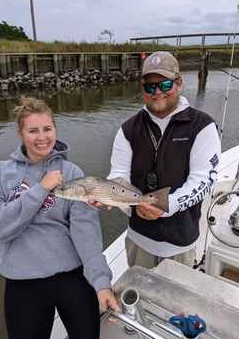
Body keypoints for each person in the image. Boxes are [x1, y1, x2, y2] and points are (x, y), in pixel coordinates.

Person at [0, 97, 121, 339]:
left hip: (72, 275)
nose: (42, 137)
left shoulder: (72, 173)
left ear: (55, 129)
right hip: (22, 281)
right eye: (33, 130)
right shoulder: (1, 173)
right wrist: (40, 189)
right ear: (20, 133)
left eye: (47, 129)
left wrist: (101, 281)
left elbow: (85, 232)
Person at [92, 51, 221, 269]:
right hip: (138, 239)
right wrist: (105, 193)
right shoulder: (128, 129)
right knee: (139, 298)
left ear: (179, 83)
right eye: (150, 87)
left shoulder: (202, 126)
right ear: (143, 88)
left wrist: (167, 205)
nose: (157, 92)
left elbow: (204, 180)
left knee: (174, 303)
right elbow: (119, 173)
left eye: (165, 84)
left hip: (180, 244)